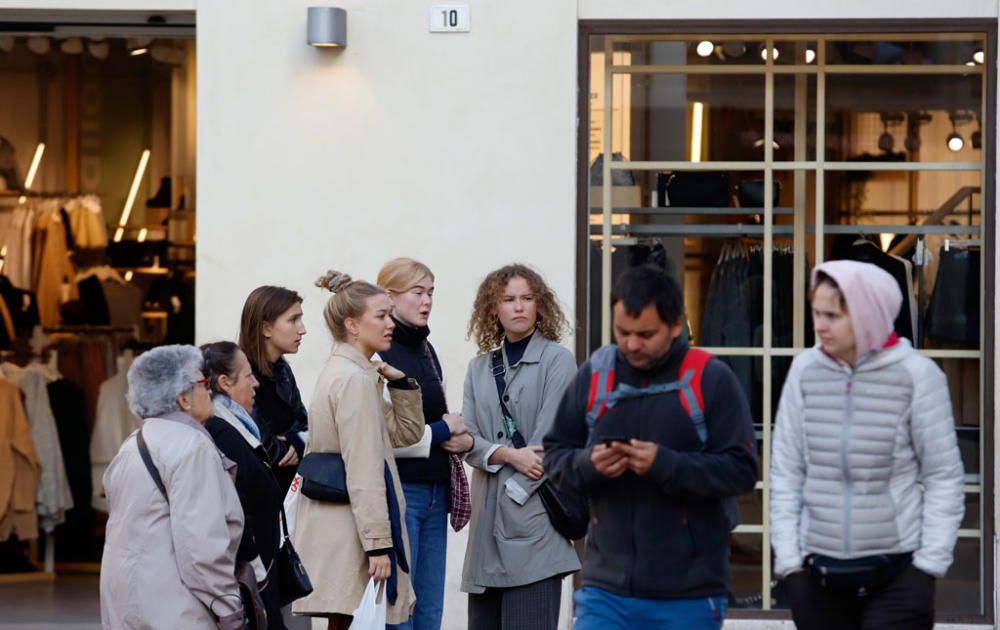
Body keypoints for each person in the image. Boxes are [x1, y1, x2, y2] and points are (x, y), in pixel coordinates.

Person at [544, 264, 758, 630]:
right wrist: (588, 465)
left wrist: (666, 466)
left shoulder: (711, 378)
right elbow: (555, 456)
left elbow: (742, 470)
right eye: (622, 332)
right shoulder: (596, 374)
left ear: (676, 325)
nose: (630, 344)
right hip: (604, 590)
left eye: (645, 334)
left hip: (689, 594)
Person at [770, 260, 965, 629]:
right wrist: (790, 564)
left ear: (867, 314)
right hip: (817, 577)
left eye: (832, 315)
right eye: (816, 312)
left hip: (898, 577)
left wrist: (928, 566)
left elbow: (944, 476)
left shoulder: (918, 376)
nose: (819, 325)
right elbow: (786, 470)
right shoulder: (804, 371)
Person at [292, 270, 426, 630]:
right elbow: (364, 466)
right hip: (352, 530)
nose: (390, 324)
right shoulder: (353, 379)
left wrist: (400, 384)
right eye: (381, 316)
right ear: (352, 324)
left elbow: (404, 434)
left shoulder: (353, 372)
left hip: (346, 525)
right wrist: (379, 545)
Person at [460, 263, 581, 630]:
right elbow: (466, 439)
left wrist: (514, 489)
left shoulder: (558, 361)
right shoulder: (479, 368)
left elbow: (550, 443)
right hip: (485, 530)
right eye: (509, 299)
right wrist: (507, 454)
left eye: (527, 298)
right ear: (492, 309)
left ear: (540, 305)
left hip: (534, 526)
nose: (518, 307)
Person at [100, 345, 245, 630]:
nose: (210, 392)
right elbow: (202, 546)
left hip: (126, 603)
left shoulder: (132, 445)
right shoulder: (193, 447)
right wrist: (229, 610)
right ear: (183, 399)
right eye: (204, 383)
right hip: (176, 608)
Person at [377, 257, 472, 630]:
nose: (426, 301)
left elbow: (435, 418)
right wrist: (444, 432)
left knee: (430, 610)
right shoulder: (379, 353)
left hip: (436, 491)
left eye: (430, 292)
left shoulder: (426, 350)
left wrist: (458, 437)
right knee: (400, 611)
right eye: (417, 293)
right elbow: (384, 437)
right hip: (401, 492)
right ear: (390, 297)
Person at [202, 341, 288, 629]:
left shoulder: (236, 426)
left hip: (255, 574)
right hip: (246, 579)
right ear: (225, 382)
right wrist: (257, 570)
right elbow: (235, 506)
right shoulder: (220, 431)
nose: (256, 385)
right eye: (249, 376)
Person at [239, 286, 309, 494]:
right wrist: (285, 447)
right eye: (293, 320)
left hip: (288, 489)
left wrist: (295, 442)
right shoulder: (242, 376)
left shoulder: (282, 369)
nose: (302, 329)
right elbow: (259, 441)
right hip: (258, 493)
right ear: (266, 328)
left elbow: (304, 423)